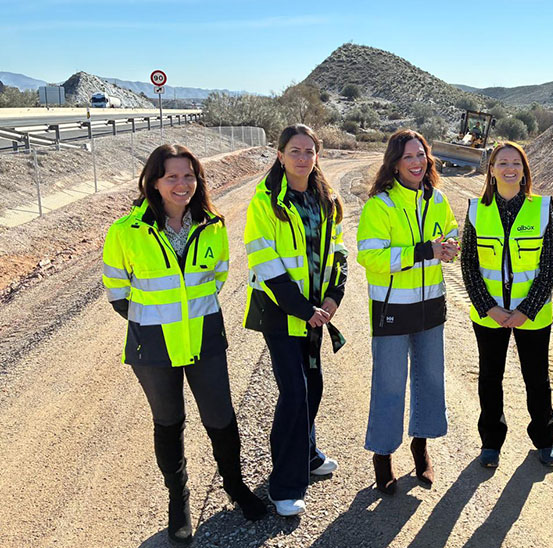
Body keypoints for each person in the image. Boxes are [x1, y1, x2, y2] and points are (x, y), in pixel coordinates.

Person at [102, 144, 266, 545]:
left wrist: (188, 318)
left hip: (205, 337)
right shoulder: (126, 231)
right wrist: (160, 322)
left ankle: (234, 485)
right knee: (169, 420)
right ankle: (179, 500)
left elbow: (218, 278)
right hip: (153, 344)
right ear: (153, 181)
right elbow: (117, 293)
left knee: (221, 417)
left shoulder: (213, 225)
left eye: (189, 176)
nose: (182, 184)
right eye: (172, 176)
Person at [242, 124, 348, 516]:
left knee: (313, 385)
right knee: (296, 392)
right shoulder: (265, 201)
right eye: (295, 151)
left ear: (316, 156)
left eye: (309, 151)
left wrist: (334, 297)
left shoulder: (326, 198)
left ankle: (306, 455)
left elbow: (338, 251)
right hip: (281, 314)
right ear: (280, 155)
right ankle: (284, 485)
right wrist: (304, 309)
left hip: (317, 314)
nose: (303, 158)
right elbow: (266, 264)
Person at [357, 129, 459, 494]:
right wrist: (423, 251)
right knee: (389, 384)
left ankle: (421, 445)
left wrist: (450, 246)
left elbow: (451, 233)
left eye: (421, 155)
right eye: (408, 157)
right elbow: (370, 257)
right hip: (392, 311)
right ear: (395, 164)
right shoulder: (379, 205)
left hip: (431, 307)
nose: (417, 163)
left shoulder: (438, 199)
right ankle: (383, 455)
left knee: (430, 380)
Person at [460, 142, 553, 468]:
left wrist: (525, 310)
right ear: (491, 169)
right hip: (489, 314)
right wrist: (489, 307)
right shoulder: (476, 209)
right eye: (502, 163)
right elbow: (469, 265)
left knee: (537, 377)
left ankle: (544, 439)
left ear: (524, 169)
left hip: (531, 314)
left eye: (515, 163)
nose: (509, 169)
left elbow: (550, 265)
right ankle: (491, 442)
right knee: (490, 376)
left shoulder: (542, 208)